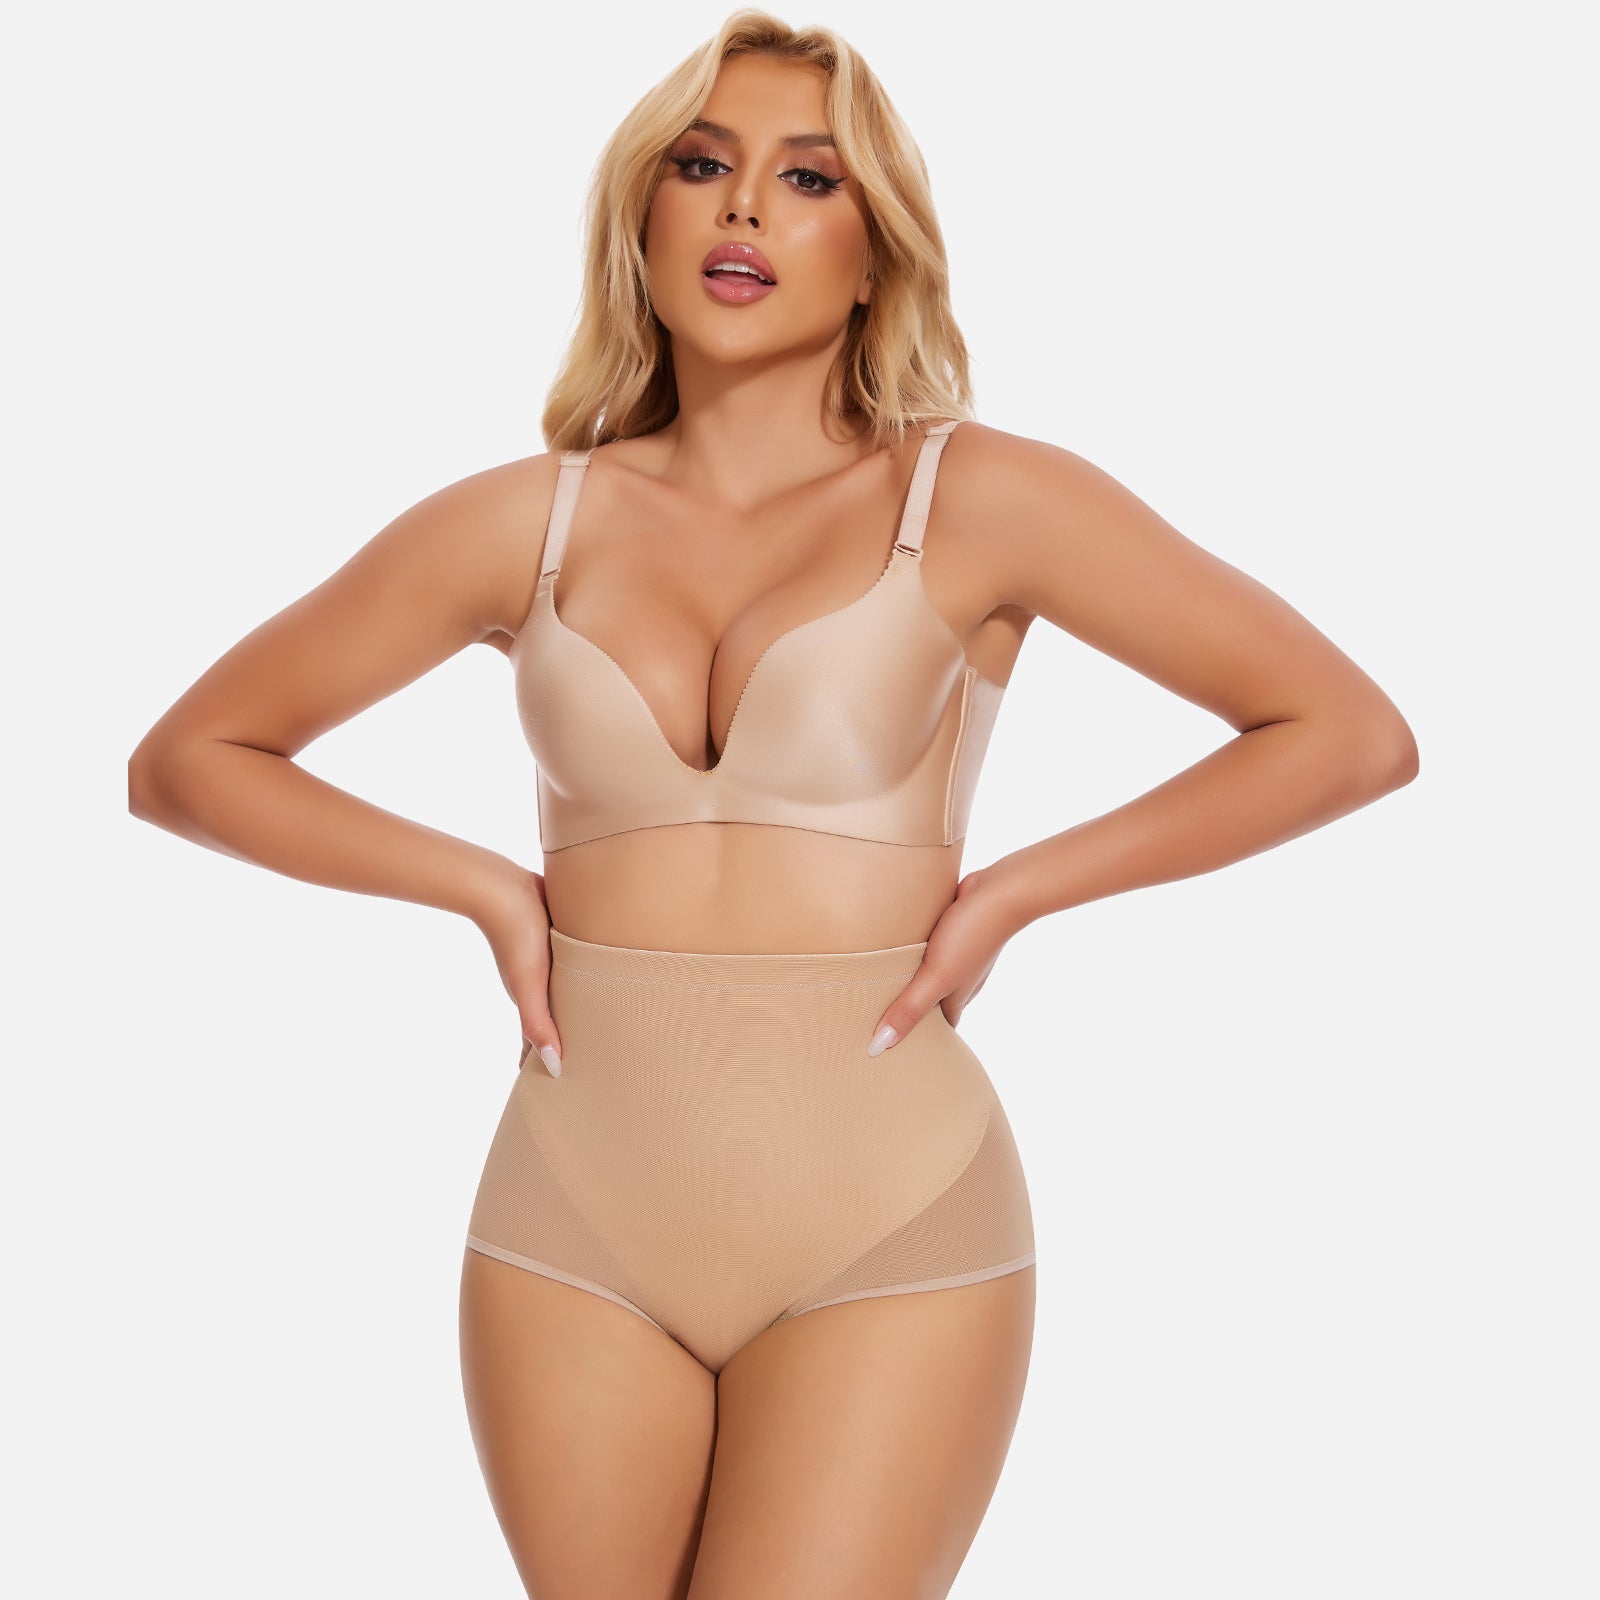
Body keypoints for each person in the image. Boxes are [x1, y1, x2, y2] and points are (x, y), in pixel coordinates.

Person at [127, 10, 1419, 1598]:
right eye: (701, 165)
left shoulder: (980, 497)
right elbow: (189, 759)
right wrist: (481, 887)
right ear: (643, 219)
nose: (744, 205)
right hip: (575, 1210)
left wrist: (1017, 892)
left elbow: (1345, 732)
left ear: (877, 256)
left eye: (809, 178)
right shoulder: (524, 524)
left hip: (883, 1206)